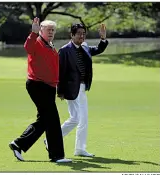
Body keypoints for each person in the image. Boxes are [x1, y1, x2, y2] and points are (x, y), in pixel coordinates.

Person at [9, 17, 72, 163]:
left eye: (53, 30)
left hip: (49, 87)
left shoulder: (50, 45)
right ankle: (57, 156)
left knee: (45, 120)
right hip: (38, 85)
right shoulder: (36, 42)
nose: (51, 32)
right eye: (48, 29)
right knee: (53, 120)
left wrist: (59, 87)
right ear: (41, 30)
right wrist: (33, 33)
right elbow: (28, 47)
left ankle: (19, 144)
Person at [45, 23, 108, 157]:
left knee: (83, 120)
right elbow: (60, 72)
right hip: (70, 89)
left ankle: (80, 149)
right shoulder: (64, 50)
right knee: (75, 118)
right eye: (79, 33)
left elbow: (98, 49)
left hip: (83, 87)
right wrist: (60, 91)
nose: (82, 36)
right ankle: (50, 140)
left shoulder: (84, 47)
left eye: (83, 33)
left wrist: (103, 39)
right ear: (72, 35)